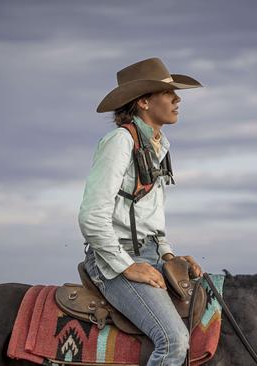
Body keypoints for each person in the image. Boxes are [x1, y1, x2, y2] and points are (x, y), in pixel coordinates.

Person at [78, 57, 204, 365]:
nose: (177, 99)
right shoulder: (119, 142)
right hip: (113, 259)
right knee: (173, 340)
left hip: (149, 255)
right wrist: (126, 267)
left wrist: (168, 255)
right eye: (168, 93)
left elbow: (151, 222)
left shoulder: (159, 147)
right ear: (144, 102)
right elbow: (92, 216)